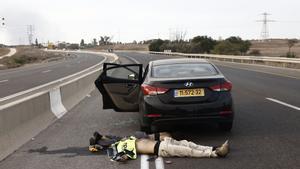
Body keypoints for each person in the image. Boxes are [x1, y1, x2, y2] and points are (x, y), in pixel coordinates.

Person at [88, 131, 229, 162]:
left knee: (189, 144)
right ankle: (215, 154)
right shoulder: (122, 147)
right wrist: (121, 157)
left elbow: (154, 135)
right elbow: (122, 158)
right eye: (103, 139)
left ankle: (214, 147)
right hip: (162, 149)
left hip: (165, 142)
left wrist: (162, 135)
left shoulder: (130, 138)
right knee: (188, 150)